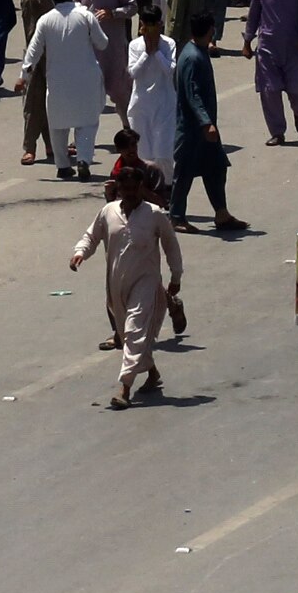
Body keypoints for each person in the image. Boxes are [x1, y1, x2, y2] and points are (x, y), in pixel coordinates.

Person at [69, 163, 185, 409]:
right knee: (129, 335)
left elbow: (171, 246)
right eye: (126, 188)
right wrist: (80, 253)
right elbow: (92, 236)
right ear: (119, 188)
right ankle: (152, 374)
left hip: (147, 282)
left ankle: (124, 388)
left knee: (134, 332)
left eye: (135, 188)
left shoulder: (154, 214)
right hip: (116, 285)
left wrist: (176, 277)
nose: (130, 193)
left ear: (140, 188)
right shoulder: (108, 211)